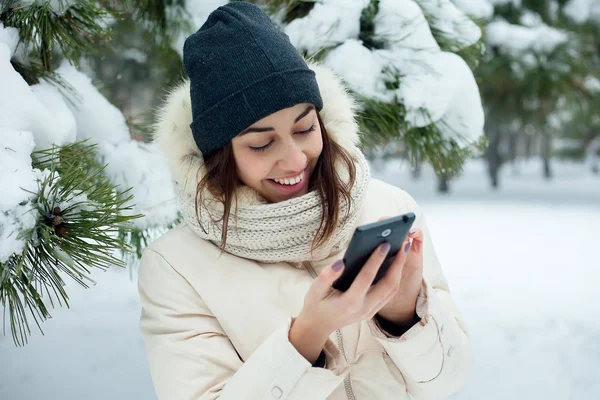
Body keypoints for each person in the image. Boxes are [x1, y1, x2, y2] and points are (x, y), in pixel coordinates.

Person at [138, 2, 471, 399]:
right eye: (261, 144)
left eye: (305, 128)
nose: (295, 159)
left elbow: (449, 380)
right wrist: (306, 336)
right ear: (219, 155)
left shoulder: (388, 206)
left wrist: (403, 316)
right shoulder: (175, 267)